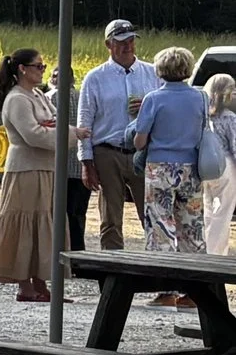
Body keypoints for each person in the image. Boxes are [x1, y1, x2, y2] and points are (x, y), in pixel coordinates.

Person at [0, 50, 56, 304]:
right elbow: (33, 134)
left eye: (43, 66)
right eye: (38, 66)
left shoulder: (37, 95)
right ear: (22, 69)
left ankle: (40, 282)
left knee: (41, 223)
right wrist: (68, 134)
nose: (42, 70)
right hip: (25, 169)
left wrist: (56, 129)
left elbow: (53, 122)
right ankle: (24, 285)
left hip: (45, 166)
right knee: (24, 224)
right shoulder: (17, 99)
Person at [74, 19, 158, 251]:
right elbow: (85, 120)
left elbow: (166, 111)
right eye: (121, 42)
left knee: (152, 214)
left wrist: (148, 108)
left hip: (143, 151)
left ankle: (157, 262)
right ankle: (111, 265)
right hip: (107, 151)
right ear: (108, 45)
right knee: (110, 217)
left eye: (130, 41)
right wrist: (86, 161)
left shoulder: (152, 73)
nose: (127, 46)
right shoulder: (95, 78)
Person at [132, 46, 209, 277]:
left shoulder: (154, 99)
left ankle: (163, 284)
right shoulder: (201, 97)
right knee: (192, 226)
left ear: (160, 70)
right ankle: (195, 284)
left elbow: (139, 141)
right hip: (191, 168)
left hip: (160, 168)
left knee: (159, 225)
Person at [206, 72, 236, 255]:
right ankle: (216, 253)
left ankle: (202, 249)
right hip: (225, 165)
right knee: (223, 213)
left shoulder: (203, 115)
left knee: (205, 210)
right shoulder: (230, 117)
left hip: (204, 165)